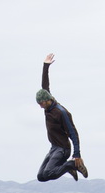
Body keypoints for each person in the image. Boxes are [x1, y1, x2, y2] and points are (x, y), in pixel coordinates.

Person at [36, 53, 88, 182]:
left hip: (63, 149)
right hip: (54, 147)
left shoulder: (61, 112)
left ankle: (71, 165)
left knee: (48, 173)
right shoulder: (47, 108)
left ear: (47, 100)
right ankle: (68, 168)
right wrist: (45, 66)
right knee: (41, 176)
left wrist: (77, 154)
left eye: (41, 103)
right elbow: (45, 86)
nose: (41, 107)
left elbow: (73, 133)